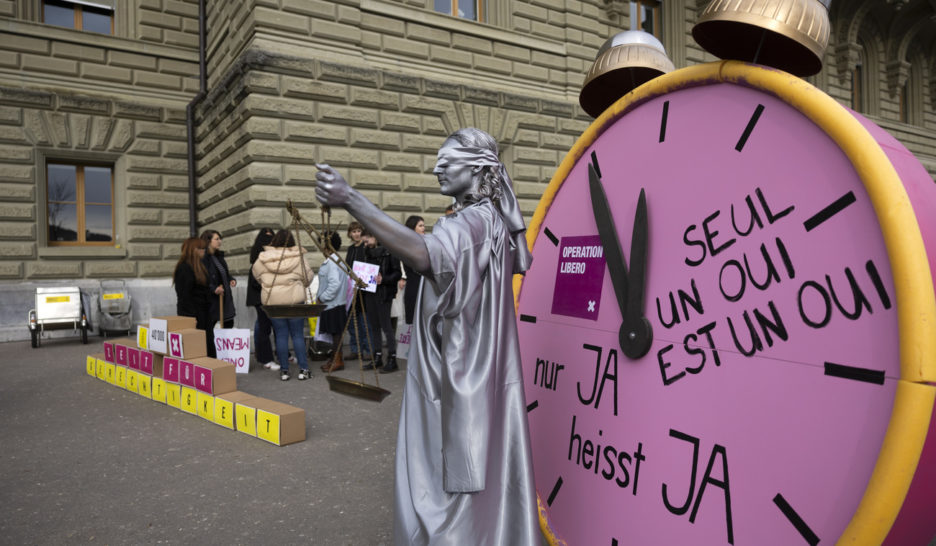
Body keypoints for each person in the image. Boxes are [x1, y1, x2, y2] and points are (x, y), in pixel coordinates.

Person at [314, 128, 538, 544]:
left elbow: (425, 254)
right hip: (480, 365)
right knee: (487, 469)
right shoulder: (493, 222)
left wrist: (352, 199)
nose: (436, 167)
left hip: (453, 370)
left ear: (476, 168)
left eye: (446, 161)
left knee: (443, 477)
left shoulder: (472, 223)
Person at [251, 229, 315, 381]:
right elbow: (308, 278)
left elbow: (257, 276)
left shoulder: (263, 258)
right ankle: (304, 370)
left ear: (274, 241)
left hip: (273, 303)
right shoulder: (298, 257)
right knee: (297, 335)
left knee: (280, 335)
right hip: (295, 302)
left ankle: (284, 371)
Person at [359, 229, 401, 373]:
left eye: (367, 241)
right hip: (369, 293)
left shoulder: (390, 251)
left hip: (384, 293)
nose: (365, 244)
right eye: (364, 241)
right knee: (374, 326)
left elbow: (397, 273)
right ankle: (377, 357)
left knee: (386, 327)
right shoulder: (366, 252)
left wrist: (384, 279)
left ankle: (392, 358)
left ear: (375, 236)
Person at [339, 220, 372, 366]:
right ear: (350, 234)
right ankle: (355, 348)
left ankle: (367, 350)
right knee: (353, 321)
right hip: (351, 290)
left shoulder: (365, 248)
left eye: (359, 231)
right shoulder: (351, 249)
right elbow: (348, 267)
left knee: (364, 322)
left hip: (364, 290)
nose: (356, 234)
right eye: (354, 231)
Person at [172, 237, 212, 355]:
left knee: (207, 346)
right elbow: (184, 296)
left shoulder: (200, 267)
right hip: (193, 315)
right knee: (195, 349)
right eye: (201, 248)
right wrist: (192, 318)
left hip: (204, 314)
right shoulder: (184, 268)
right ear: (193, 250)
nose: (204, 251)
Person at [316, 231, 349, 372]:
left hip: (332, 303)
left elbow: (334, 284)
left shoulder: (332, 262)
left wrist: (322, 298)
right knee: (336, 334)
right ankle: (335, 359)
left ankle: (337, 360)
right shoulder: (338, 259)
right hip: (337, 303)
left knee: (336, 334)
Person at [201, 229, 236, 358]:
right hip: (213, 300)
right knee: (210, 328)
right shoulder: (203, 257)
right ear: (208, 241)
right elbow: (203, 277)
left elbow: (224, 273)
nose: (220, 241)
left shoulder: (219, 256)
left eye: (220, 239)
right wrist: (213, 288)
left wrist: (231, 279)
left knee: (228, 323)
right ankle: (211, 356)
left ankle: (225, 355)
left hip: (225, 298)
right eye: (217, 239)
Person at [247, 227, 277, 370]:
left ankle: (269, 355)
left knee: (272, 326)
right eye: (266, 238)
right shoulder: (260, 257)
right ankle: (265, 358)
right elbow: (256, 281)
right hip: (261, 298)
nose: (269, 242)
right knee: (264, 327)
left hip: (269, 297)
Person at [401, 215, 425, 325]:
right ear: (412, 228)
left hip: (426, 286)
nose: (423, 228)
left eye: (423, 225)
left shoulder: (426, 242)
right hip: (414, 286)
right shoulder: (408, 246)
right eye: (420, 226)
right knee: (414, 321)